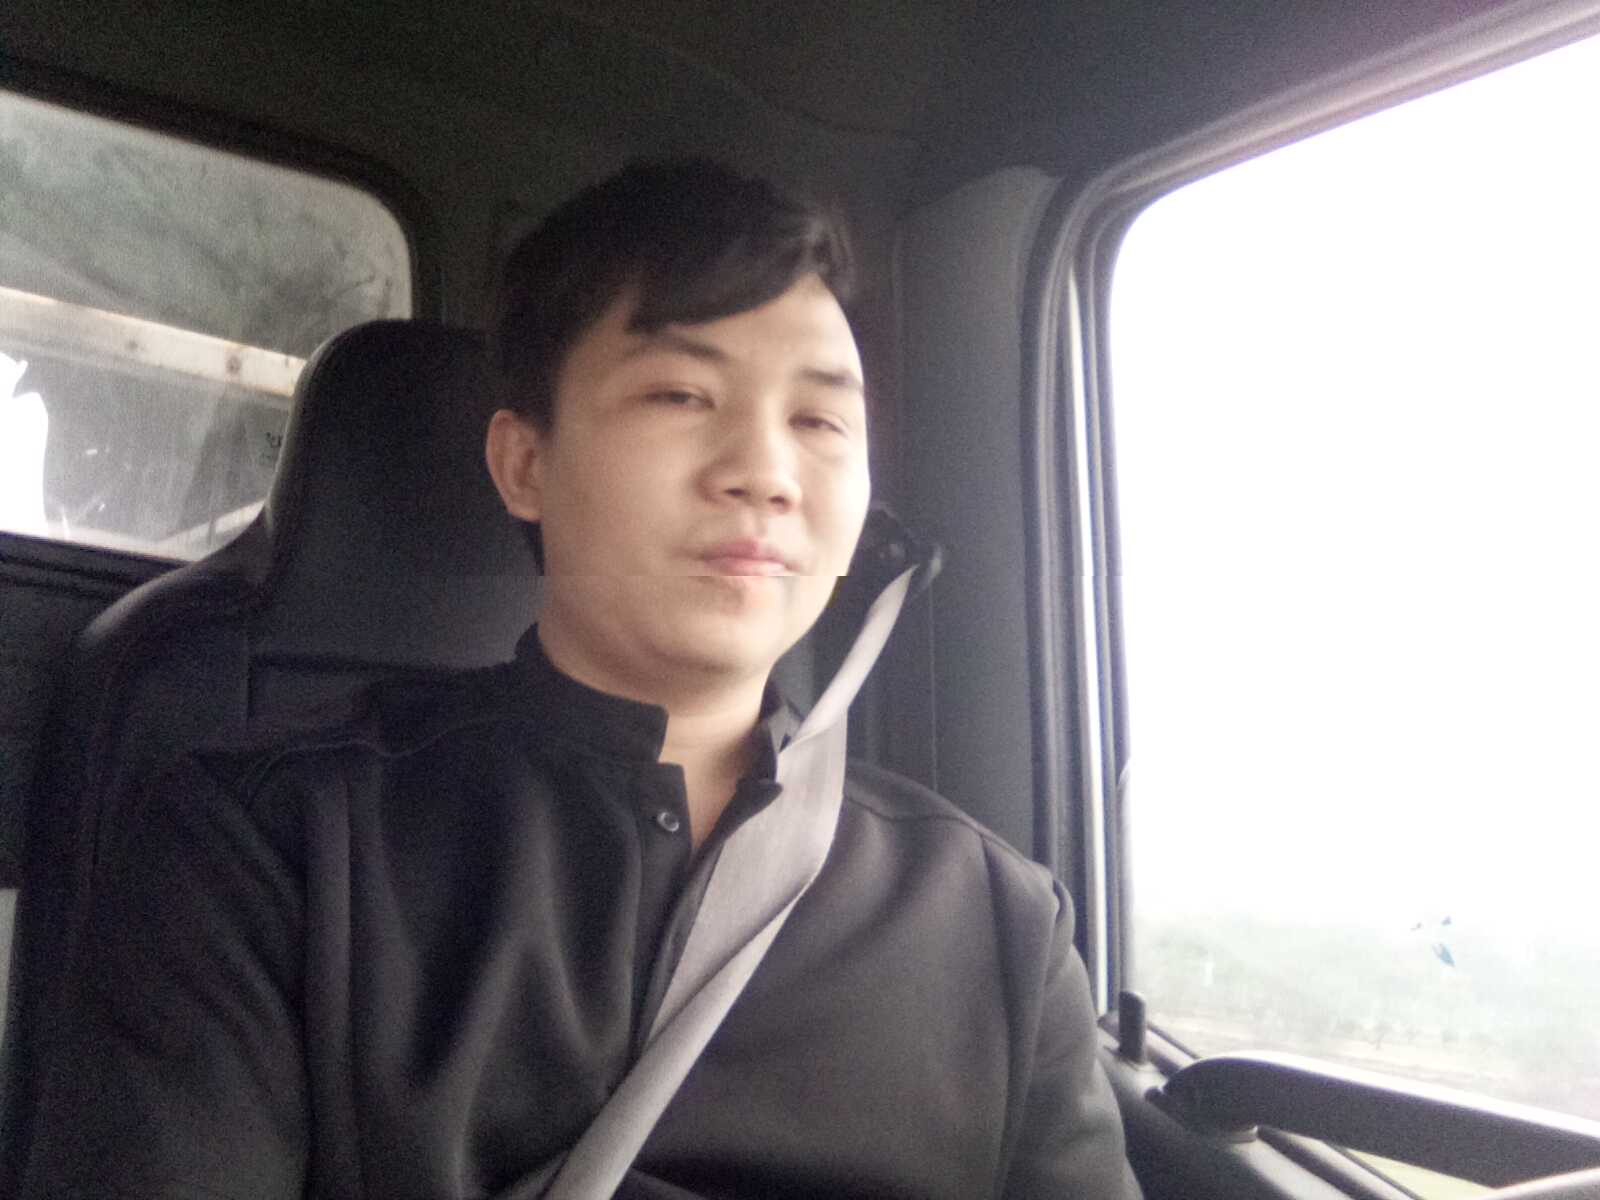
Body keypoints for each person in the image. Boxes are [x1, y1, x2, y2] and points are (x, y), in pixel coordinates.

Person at [20, 160, 1141, 1198]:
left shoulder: (999, 924)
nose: (765, 472)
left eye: (818, 419)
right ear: (524, 463)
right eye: (681, 396)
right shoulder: (268, 842)